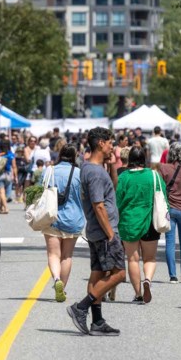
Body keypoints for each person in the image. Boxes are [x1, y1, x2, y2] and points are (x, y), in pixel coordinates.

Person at [67, 127, 125, 336]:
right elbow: (98, 204)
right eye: (111, 142)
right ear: (101, 143)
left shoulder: (92, 169)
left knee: (98, 274)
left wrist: (110, 168)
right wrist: (110, 233)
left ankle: (97, 321)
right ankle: (81, 307)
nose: (113, 147)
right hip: (104, 231)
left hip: (96, 230)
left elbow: (113, 189)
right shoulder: (94, 172)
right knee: (119, 273)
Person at [117, 146, 166, 303]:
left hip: (128, 222)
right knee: (150, 258)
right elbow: (163, 196)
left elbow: (117, 200)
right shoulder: (153, 175)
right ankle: (148, 281)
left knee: (132, 259)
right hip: (150, 222)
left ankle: (138, 294)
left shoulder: (123, 177)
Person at [43, 145, 84, 302]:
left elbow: (41, 190)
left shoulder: (50, 170)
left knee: (53, 254)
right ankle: (62, 289)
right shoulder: (79, 174)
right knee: (67, 256)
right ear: (74, 156)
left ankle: (56, 280)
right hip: (73, 218)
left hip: (52, 217)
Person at [159, 142, 181, 283]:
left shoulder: (163, 168)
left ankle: (172, 275)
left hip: (170, 208)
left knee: (170, 242)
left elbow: (161, 185)